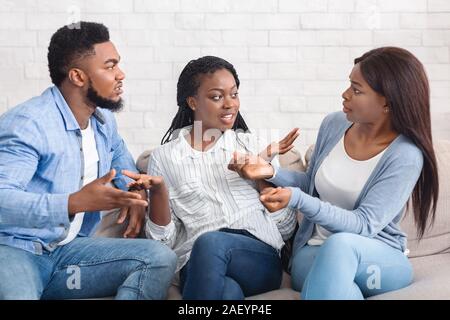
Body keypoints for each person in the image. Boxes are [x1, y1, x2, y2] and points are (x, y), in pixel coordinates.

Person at [230, 47, 439, 299]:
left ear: (387, 101)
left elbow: (363, 225)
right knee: (337, 279)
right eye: (349, 85)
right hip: (314, 252)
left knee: (340, 246)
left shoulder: (405, 155)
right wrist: (270, 171)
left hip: (377, 261)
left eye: (356, 89)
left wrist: (296, 199)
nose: (345, 94)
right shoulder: (334, 124)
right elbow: (311, 184)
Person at [0, 21, 176, 300]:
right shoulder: (28, 124)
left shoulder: (103, 122)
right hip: (15, 250)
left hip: (69, 252)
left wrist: (135, 191)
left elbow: (120, 157)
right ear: (78, 77)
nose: (121, 74)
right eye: (109, 66)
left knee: (158, 258)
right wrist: (74, 202)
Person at [123, 56, 299, 300]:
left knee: (211, 243)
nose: (230, 104)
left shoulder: (253, 146)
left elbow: (286, 228)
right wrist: (160, 191)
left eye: (234, 94)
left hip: (256, 259)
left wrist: (261, 175)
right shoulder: (165, 158)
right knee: (227, 292)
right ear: (193, 102)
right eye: (217, 97)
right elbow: (162, 243)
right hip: (197, 264)